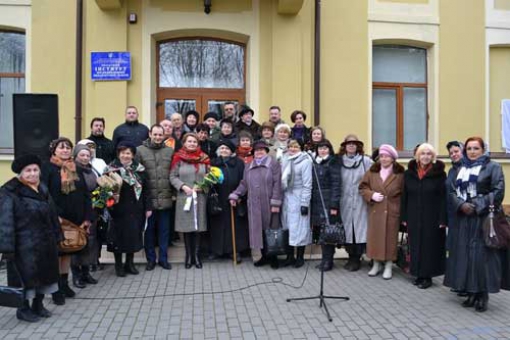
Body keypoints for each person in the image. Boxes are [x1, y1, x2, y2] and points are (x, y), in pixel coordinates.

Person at [444, 137, 505, 312]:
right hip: (464, 218)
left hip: (482, 218)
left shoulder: (493, 167)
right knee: (465, 256)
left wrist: (477, 205)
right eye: (469, 148)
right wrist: (461, 205)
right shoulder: (460, 168)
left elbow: (498, 191)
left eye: (475, 148)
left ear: (483, 149)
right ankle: (470, 291)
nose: (472, 151)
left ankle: (482, 294)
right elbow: (452, 191)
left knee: (481, 258)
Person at [0, 155, 61, 322]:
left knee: (44, 276)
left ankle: (38, 305)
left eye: (35, 170)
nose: (33, 174)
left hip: (45, 243)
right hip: (23, 246)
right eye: (28, 171)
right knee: (25, 280)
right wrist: (6, 248)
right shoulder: (9, 192)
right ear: (20, 174)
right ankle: (23, 309)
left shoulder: (42, 188)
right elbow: (5, 221)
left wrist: (57, 235)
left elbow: (53, 215)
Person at [42, 137, 93, 305]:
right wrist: (53, 214)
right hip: (56, 219)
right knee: (56, 254)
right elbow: (45, 195)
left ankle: (64, 284)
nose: (65, 150)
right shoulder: (47, 169)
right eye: (61, 148)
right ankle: (55, 289)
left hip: (74, 219)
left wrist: (87, 217)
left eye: (68, 147)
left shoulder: (75, 168)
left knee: (68, 252)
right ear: (54, 150)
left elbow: (85, 194)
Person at [229, 140, 283, 269]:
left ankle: (274, 257)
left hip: (269, 203)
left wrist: (275, 202)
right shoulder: (248, 166)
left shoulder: (273, 164)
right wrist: (235, 195)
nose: (259, 152)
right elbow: (244, 184)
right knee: (258, 231)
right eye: (257, 150)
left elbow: (277, 184)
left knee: (271, 230)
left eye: (262, 150)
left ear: (266, 151)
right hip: (254, 204)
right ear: (253, 153)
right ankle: (263, 256)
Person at [401, 143, 447, 289]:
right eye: (422, 153)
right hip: (414, 215)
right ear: (417, 156)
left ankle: (427, 277)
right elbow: (404, 196)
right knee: (415, 245)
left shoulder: (439, 174)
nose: (425, 156)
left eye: (428, 154)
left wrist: (442, 219)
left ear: (432, 157)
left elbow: (443, 198)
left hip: (432, 217)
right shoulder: (409, 174)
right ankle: (418, 273)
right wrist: (404, 217)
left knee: (429, 247)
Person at [106, 142, 151, 277]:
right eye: (123, 153)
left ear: (132, 155)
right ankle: (118, 265)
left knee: (133, 236)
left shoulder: (140, 170)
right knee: (118, 237)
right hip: (118, 208)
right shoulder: (111, 169)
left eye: (128, 153)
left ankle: (129, 263)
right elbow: (104, 189)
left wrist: (148, 207)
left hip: (136, 208)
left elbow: (146, 190)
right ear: (118, 154)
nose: (125, 155)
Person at [359, 144, 404, 280]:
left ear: (393, 158)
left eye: (387, 157)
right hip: (376, 210)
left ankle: (389, 265)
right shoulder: (372, 171)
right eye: (382, 156)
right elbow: (362, 187)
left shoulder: (400, 173)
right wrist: (371, 195)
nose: (384, 159)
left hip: (392, 209)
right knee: (375, 237)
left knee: (390, 238)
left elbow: (405, 192)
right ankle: (376, 264)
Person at [136, 124, 174, 271]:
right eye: (155, 134)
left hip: (165, 197)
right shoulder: (140, 150)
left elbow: (172, 172)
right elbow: (137, 175)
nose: (158, 137)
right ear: (150, 134)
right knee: (149, 232)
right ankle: (150, 259)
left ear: (164, 136)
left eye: (160, 135)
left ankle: (163, 259)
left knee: (164, 232)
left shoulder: (169, 151)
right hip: (149, 199)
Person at [170, 133, 210, 269]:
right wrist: (183, 186)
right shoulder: (178, 158)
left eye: (194, 142)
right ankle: (188, 256)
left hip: (200, 197)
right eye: (189, 141)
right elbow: (172, 176)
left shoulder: (204, 158)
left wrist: (203, 186)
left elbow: (210, 177)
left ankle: (197, 256)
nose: (192, 144)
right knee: (187, 228)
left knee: (198, 226)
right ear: (184, 143)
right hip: (184, 197)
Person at [209, 140, 249, 262]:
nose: (224, 151)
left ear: (231, 151)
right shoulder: (213, 163)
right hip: (218, 199)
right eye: (221, 149)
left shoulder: (239, 163)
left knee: (235, 226)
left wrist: (238, 195)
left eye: (226, 149)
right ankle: (217, 251)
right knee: (217, 225)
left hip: (234, 198)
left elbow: (244, 180)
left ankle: (234, 250)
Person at [338, 134, 373, 271]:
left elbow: (374, 179)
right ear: (345, 146)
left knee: (359, 230)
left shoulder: (366, 161)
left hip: (361, 201)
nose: (351, 145)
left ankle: (357, 258)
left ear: (358, 146)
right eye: (349, 143)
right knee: (348, 230)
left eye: (354, 143)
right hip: (344, 201)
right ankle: (350, 256)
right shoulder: (339, 161)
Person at [280, 140, 313, 268]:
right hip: (287, 197)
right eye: (290, 146)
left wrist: (304, 203)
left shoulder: (305, 161)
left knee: (300, 228)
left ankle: (300, 257)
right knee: (288, 228)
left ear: (301, 147)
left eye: (296, 146)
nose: (292, 149)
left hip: (299, 197)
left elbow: (307, 184)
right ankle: (289, 256)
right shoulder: (285, 159)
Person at [70, 145, 99, 288]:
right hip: (76, 212)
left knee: (89, 243)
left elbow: (95, 189)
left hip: (91, 211)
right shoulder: (71, 170)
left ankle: (86, 272)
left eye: (88, 155)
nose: (85, 158)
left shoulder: (91, 170)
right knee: (76, 244)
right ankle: (76, 275)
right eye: (82, 155)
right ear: (75, 156)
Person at [311, 140, 341, 271]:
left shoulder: (333, 162)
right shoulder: (314, 163)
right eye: (320, 148)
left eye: (325, 148)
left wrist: (334, 205)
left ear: (329, 150)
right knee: (321, 232)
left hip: (327, 202)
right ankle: (324, 259)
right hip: (317, 202)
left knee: (328, 231)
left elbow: (336, 185)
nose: (322, 151)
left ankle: (329, 260)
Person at [444, 141, 465, 296]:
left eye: (456, 151)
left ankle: (466, 284)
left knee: (465, 251)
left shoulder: (470, 169)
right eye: (451, 153)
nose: (454, 154)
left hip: (466, 216)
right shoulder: (451, 171)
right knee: (455, 250)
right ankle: (458, 282)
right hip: (453, 217)